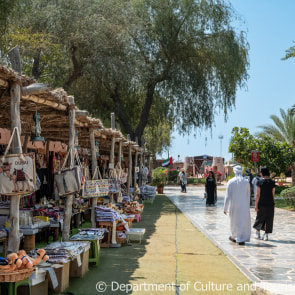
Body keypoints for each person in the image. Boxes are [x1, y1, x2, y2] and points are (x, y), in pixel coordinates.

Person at [223, 165, 251, 245]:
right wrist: (248, 205)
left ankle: (235, 237)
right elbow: (248, 195)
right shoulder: (246, 182)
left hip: (234, 205)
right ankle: (241, 238)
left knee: (234, 221)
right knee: (243, 221)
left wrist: (225, 208)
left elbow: (227, 196)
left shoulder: (231, 182)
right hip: (244, 205)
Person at [253, 167, 275, 241]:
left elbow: (257, 195)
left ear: (262, 173)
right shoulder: (272, 182)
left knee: (259, 218)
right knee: (269, 219)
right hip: (270, 204)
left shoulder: (259, 182)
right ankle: (266, 235)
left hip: (261, 203)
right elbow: (273, 194)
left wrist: (256, 205)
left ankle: (257, 233)